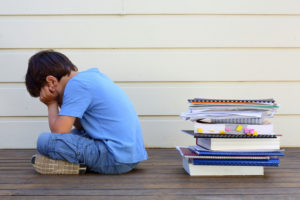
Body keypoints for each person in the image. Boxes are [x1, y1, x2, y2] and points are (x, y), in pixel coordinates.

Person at [25, 50, 148, 174]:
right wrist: (62, 102)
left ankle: (69, 165)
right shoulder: (91, 77)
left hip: (114, 158)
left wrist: (52, 104)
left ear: (51, 82)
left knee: (44, 141)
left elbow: (59, 131)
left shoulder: (76, 86)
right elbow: (80, 126)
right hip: (130, 155)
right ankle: (72, 162)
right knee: (74, 134)